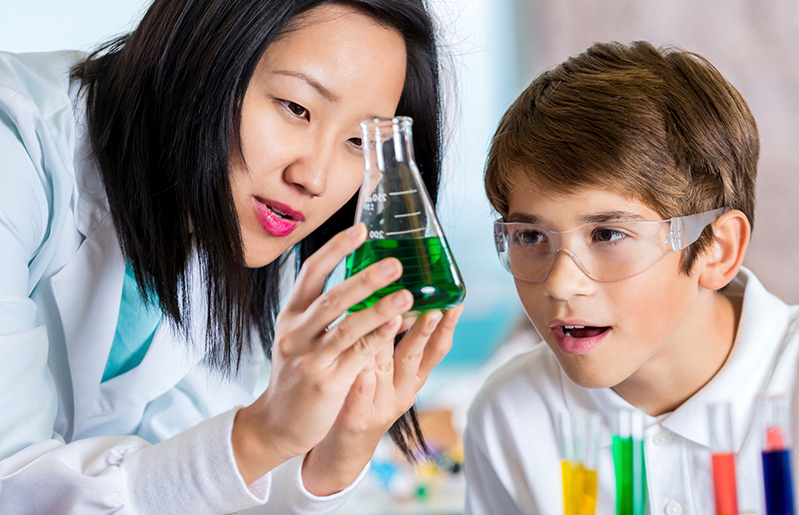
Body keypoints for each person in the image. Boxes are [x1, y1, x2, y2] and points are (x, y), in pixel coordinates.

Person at [0, 0, 464, 513]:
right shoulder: (14, 146)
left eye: (358, 141)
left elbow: (193, 489)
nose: (315, 179)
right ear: (199, 50)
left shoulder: (256, 237)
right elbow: (13, 486)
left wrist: (337, 455)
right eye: (296, 108)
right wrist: (261, 434)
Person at [463, 40, 799, 514]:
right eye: (530, 238)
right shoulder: (509, 414)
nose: (560, 284)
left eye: (608, 235)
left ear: (717, 250)